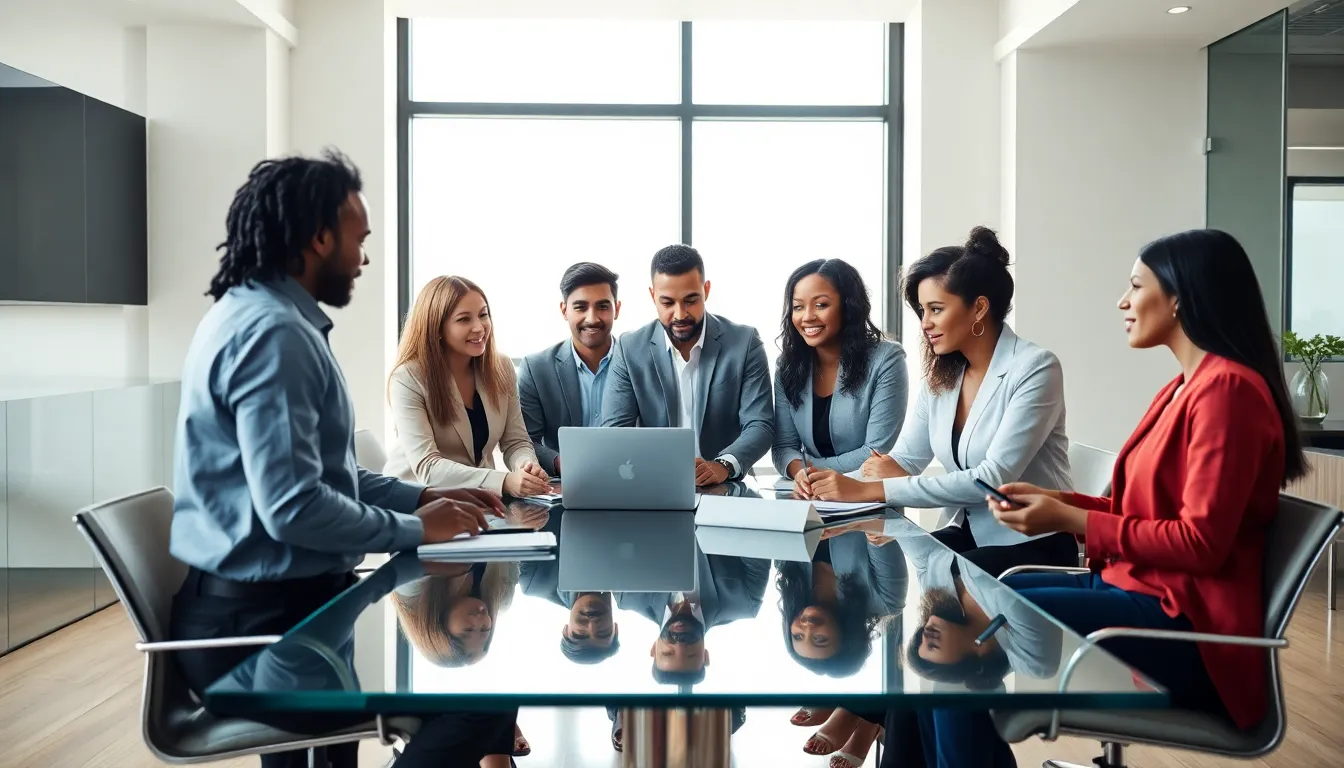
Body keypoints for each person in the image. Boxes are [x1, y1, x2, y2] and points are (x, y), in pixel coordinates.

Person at [167, 149, 512, 768]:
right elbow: (294, 507)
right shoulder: (274, 336)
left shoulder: (265, 317)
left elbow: (330, 477)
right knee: (480, 702)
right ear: (319, 238)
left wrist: (423, 499)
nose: (365, 258)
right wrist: (414, 528)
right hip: (260, 628)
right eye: (359, 240)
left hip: (281, 604)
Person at [910, 229, 1307, 768]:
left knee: (963, 640)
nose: (1123, 300)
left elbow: (1201, 544)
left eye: (1136, 285)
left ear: (1180, 297)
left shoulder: (1228, 392)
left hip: (1183, 629)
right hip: (1138, 594)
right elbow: (1135, 510)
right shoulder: (1183, 388)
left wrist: (1070, 516)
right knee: (991, 593)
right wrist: (1055, 502)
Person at [807, 227, 1078, 577]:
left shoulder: (1035, 367)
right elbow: (904, 459)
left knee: (938, 575)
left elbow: (992, 479)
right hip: (968, 531)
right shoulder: (944, 374)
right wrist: (826, 486)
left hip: (1031, 542)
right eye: (922, 310)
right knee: (903, 561)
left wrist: (870, 489)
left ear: (979, 308)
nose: (925, 323)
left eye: (936, 309)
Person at [601, 244, 774, 486]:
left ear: (706, 290)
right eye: (668, 302)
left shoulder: (744, 343)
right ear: (653, 296)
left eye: (691, 300)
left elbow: (760, 424)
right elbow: (614, 432)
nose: (680, 314)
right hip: (653, 485)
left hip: (726, 486)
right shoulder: (629, 349)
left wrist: (723, 465)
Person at [383, 275, 552, 498]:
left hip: (476, 501)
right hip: (414, 500)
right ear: (437, 328)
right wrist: (505, 481)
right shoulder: (408, 377)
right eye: (464, 319)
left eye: (483, 315)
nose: (479, 327)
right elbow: (427, 467)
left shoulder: (501, 367)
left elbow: (515, 441)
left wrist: (526, 466)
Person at [772, 258, 908, 494]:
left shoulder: (887, 359)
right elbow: (784, 446)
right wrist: (800, 473)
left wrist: (810, 469)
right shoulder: (787, 365)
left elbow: (875, 452)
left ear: (848, 306)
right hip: (808, 498)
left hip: (866, 499)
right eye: (798, 307)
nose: (807, 317)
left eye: (821, 305)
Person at [517, 262, 622, 476]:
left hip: (630, 479)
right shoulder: (536, 369)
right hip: (566, 485)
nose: (592, 318)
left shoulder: (639, 363)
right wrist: (558, 461)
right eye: (580, 307)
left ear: (616, 309)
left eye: (602, 306)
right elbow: (526, 442)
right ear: (564, 310)